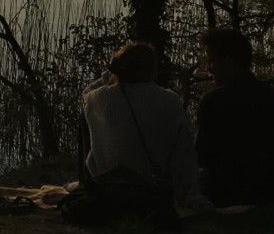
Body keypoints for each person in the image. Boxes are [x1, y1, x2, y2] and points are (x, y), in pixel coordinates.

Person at [80, 42, 210, 219]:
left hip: (110, 187)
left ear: (118, 69)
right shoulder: (169, 100)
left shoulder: (98, 99)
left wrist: (109, 75)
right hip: (152, 189)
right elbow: (183, 154)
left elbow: (87, 92)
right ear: (152, 69)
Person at [195, 28, 274, 207]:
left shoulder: (213, 101)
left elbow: (201, 156)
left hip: (230, 194)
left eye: (211, 61)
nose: (209, 69)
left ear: (227, 61)